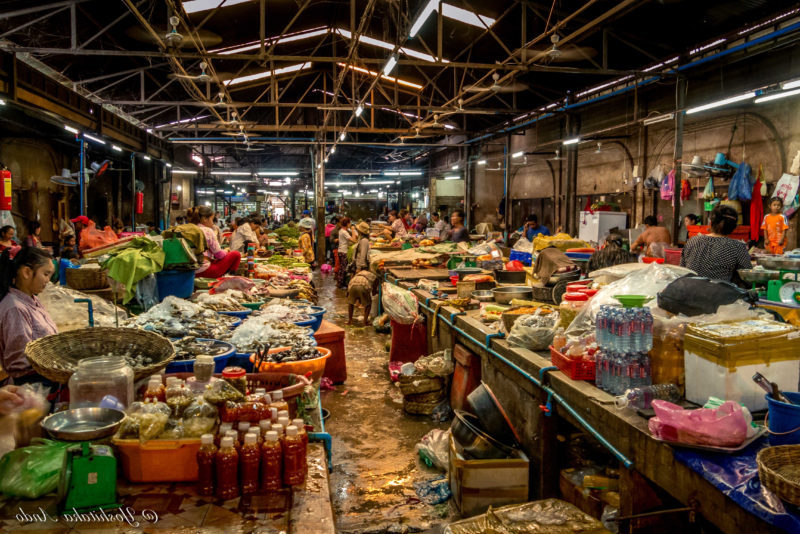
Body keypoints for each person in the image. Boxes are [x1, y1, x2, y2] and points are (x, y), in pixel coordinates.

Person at [0, 247, 57, 386]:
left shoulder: (32, 299)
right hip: (33, 385)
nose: (48, 280)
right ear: (27, 272)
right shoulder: (15, 308)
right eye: (45, 274)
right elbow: (20, 361)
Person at [681, 204, 751, 283]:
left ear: (711, 222)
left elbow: (682, 270)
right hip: (718, 294)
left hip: (688, 290)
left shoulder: (692, 241)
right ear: (734, 227)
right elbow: (747, 278)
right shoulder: (737, 247)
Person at [188, 206, 241, 278]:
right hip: (204, 270)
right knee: (236, 254)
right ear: (205, 219)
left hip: (188, 271)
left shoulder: (187, 230)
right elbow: (219, 255)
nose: (213, 222)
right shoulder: (207, 230)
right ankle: (229, 279)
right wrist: (226, 251)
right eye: (212, 219)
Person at [336, 217, 356, 289]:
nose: (350, 224)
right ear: (347, 223)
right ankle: (340, 284)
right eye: (349, 223)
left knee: (342, 267)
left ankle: (341, 283)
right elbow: (353, 240)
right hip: (343, 251)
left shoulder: (342, 230)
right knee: (343, 268)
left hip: (341, 250)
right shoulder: (344, 232)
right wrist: (353, 230)